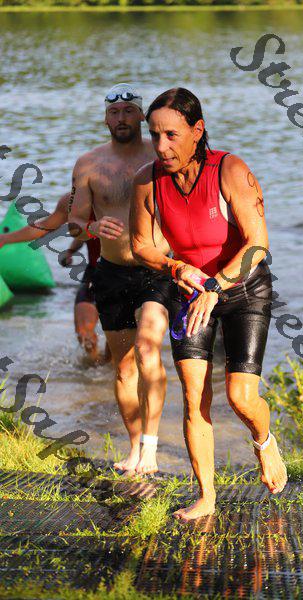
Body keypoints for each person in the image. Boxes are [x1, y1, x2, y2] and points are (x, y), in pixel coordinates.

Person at [131, 87, 287, 521]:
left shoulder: (230, 170)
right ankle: (206, 497)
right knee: (194, 396)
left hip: (243, 288)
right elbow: (141, 245)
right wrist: (175, 267)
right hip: (189, 292)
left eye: (171, 135)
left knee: (240, 396)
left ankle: (264, 441)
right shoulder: (146, 182)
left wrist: (216, 286)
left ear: (197, 130)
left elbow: (258, 243)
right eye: (154, 135)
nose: (161, 146)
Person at [68, 83, 171, 475]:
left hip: (156, 269)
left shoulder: (160, 155)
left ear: (142, 116)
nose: (122, 118)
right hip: (110, 272)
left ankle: (151, 449)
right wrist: (92, 227)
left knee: (148, 349)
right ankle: (133, 449)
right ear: (105, 118)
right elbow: (74, 223)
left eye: (129, 110)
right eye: (115, 112)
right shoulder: (88, 164)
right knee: (125, 367)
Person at [0, 192, 109, 363]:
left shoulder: (120, 193)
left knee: (118, 346)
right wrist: (4, 239)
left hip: (127, 274)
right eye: (75, 179)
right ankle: (94, 368)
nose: (77, 182)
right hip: (95, 272)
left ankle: (110, 368)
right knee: (84, 334)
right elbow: (46, 226)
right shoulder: (72, 200)